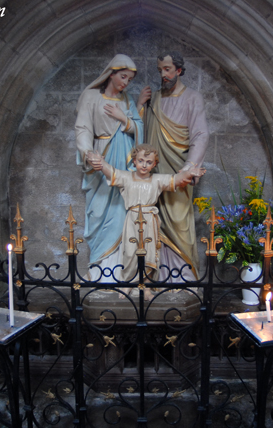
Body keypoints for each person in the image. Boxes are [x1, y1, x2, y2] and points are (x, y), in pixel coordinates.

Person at [87, 144, 205, 298]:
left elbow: (176, 179)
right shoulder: (127, 177)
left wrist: (189, 173)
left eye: (149, 162)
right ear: (134, 161)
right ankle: (128, 284)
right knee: (130, 252)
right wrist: (100, 164)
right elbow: (112, 172)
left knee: (150, 253)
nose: (144, 165)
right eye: (141, 160)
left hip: (150, 220)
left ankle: (147, 286)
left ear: (154, 164)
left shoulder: (157, 180)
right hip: (132, 219)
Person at [137, 51, 209, 282]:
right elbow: (141, 132)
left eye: (167, 69)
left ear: (178, 70)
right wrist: (140, 106)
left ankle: (183, 278)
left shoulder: (192, 98)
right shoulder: (154, 99)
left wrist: (189, 167)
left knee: (179, 223)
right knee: (151, 224)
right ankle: (157, 276)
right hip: (152, 174)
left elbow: (200, 134)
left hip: (179, 172)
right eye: (160, 70)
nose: (163, 74)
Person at [76, 54, 143, 281]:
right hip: (101, 157)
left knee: (123, 213)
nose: (125, 82)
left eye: (130, 79)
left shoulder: (127, 100)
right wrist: (88, 154)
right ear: (111, 74)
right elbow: (83, 128)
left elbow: (140, 129)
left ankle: (121, 269)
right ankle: (99, 267)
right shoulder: (91, 96)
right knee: (98, 213)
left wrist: (124, 119)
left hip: (125, 161)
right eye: (123, 76)